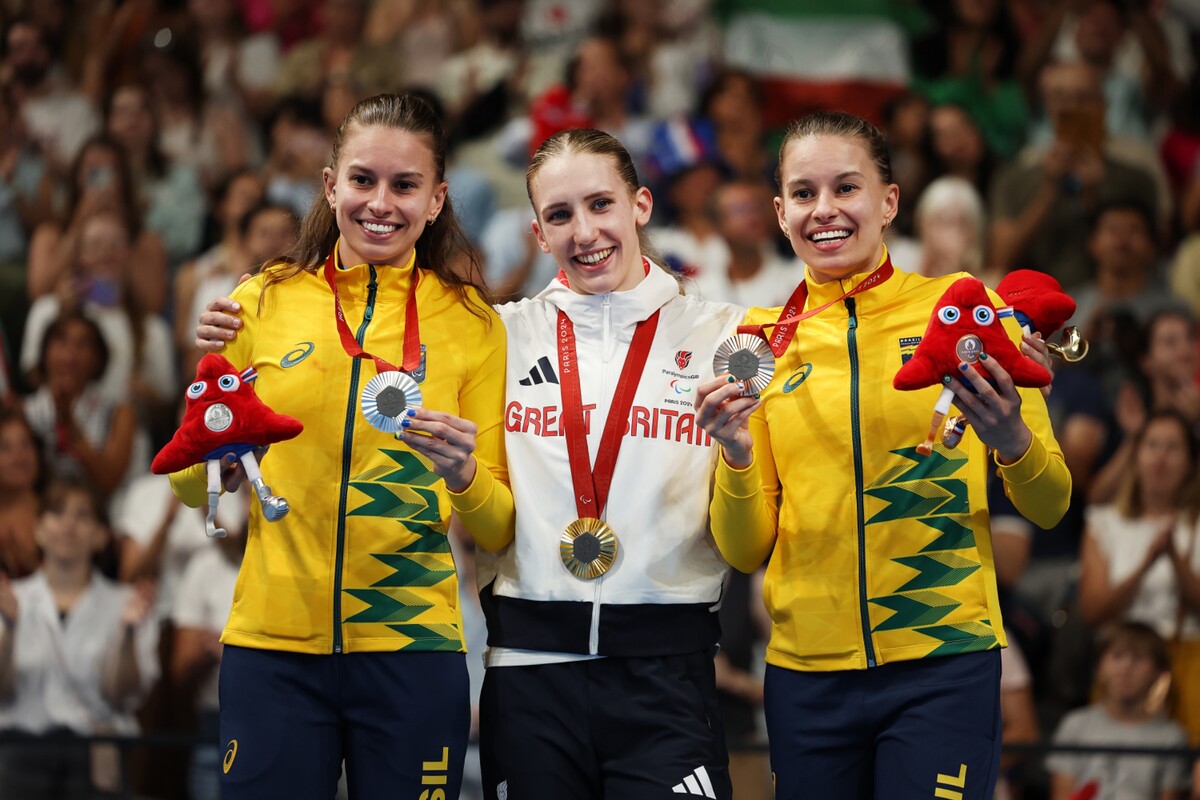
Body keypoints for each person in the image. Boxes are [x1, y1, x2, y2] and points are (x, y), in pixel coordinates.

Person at [197, 126, 745, 798]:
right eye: (559, 215)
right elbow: (198, 462)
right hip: (523, 668)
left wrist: (742, 458)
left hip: (661, 669)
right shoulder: (501, 329)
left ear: (641, 205)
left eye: (601, 204)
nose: (584, 231)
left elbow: (748, 543)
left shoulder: (727, 334)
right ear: (538, 235)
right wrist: (214, 438)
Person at [695, 110, 1070, 799]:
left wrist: (1013, 439)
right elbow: (743, 551)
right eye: (804, 194)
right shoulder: (756, 345)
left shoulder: (964, 313)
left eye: (847, 187)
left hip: (943, 662)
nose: (825, 210)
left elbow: (1050, 505)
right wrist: (737, 456)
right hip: (807, 675)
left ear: (889, 201)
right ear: (780, 213)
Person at [178, 92, 510, 799]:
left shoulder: (473, 322)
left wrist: (464, 476)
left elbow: (497, 524)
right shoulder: (261, 301)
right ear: (330, 186)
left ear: (436, 198)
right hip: (274, 646)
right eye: (362, 179)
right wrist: (218, 453)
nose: (380, 203)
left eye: (404, 184)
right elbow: (189, 483)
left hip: (412, 651)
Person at [0, 476, 159, 799]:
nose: (68, 524)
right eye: (57, 513)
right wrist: (10, 628)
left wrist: (127, 634)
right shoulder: (10, 599)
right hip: (19, 749)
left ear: (101, 535)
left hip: (96, 754)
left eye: (83, 515)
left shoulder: (127, 603)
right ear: (39, 530)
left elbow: (121, 695)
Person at [1078, 411, 1200, 743]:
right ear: (1136, 454)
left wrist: (1176, 558)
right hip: (1121, 669)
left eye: (1172, 448)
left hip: (1190, 668)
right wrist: (1147, 563)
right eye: (1152, 445)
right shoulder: (1103, 522)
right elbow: (1093, 611)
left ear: (1190, 462)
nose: (1160, 457)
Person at [1046, 621, 1190, 800]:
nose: (1126, 667)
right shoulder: (1075, 725)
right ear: (1098, 668)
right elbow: (1062, 795)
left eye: (1138, 658)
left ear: (1159, 673)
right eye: (1118, 656)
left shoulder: (1171, 737)